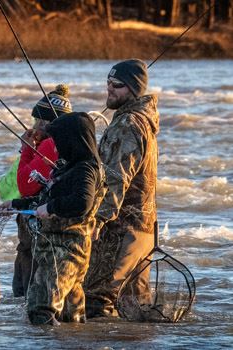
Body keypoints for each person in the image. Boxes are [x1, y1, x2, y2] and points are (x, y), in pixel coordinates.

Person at [2, 112, 105, 325]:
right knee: (71, 316)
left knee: (40, 307)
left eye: (58, 142)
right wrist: (16, 204)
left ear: (72, 140)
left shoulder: (85, 170)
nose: (55, 148)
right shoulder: (69, 167)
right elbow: (45, 196)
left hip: (66, 253)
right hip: (59, 252)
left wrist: (51, 207)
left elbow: (82, 203)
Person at [84, 59, 159, 318]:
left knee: (97, 297)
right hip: (143, 229)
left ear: (134, 89)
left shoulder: (128, 123)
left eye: (117, 85)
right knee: (135, 307)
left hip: (120, 229)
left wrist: (99, 219)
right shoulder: (144, 120)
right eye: (108, 83)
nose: (109, 89)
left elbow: (117, 178)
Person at [5, 85, 72, 297]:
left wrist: (26, 148)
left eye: (37, 120)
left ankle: (26, 311)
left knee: (27, 274)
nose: (34, 125)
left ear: (45, 122)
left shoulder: (47, 144)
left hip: (37, 220)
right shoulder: (68, 141)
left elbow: (26, 187)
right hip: (54, 218)